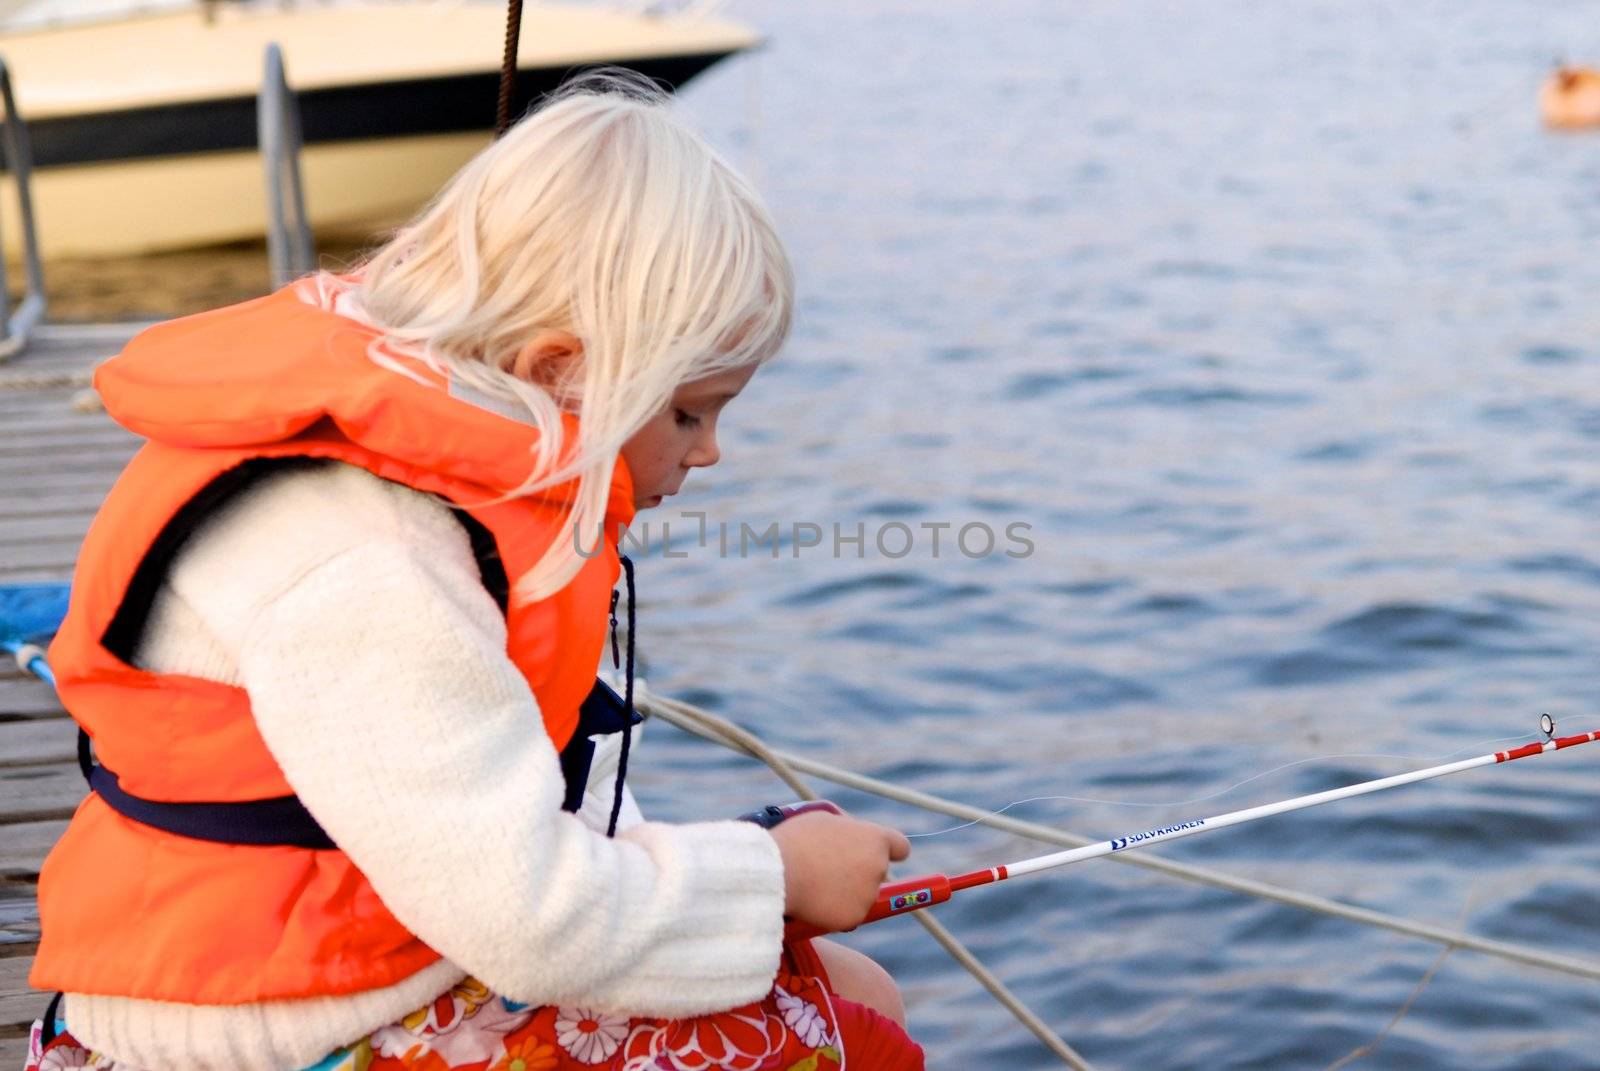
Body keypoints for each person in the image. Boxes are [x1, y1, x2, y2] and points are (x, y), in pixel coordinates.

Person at [25, 74, 923, 1071]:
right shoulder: (371, 563)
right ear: (554, 370)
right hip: (258, 1034)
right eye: (686, 412)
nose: (708, 453)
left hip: (348, 967)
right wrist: (773, 875)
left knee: (851, 989)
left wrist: (757, 868)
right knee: (853, 1045)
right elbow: (529, 921)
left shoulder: (434, 480)